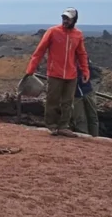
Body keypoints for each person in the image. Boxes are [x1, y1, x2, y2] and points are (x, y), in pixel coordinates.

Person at [25, 7, 89, 136]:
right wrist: (31, 68)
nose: (65, 21)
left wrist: (85, 70)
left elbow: (81, 54)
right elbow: (40, 51)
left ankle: (64, 126)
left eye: (68, 19)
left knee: (67, 102)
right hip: (55, 73)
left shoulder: (78, 34)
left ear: (74, 20)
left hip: (71, 74)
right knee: (52, 100)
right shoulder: (53, 31)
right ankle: (51, 125)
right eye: (64, 18)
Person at [72, 57, 100, 137]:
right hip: (75, 93)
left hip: (87, 89)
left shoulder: (82, 55)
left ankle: (95, 138)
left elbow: (93, 72)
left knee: (92, 116)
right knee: (80, 119)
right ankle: (84, 141)